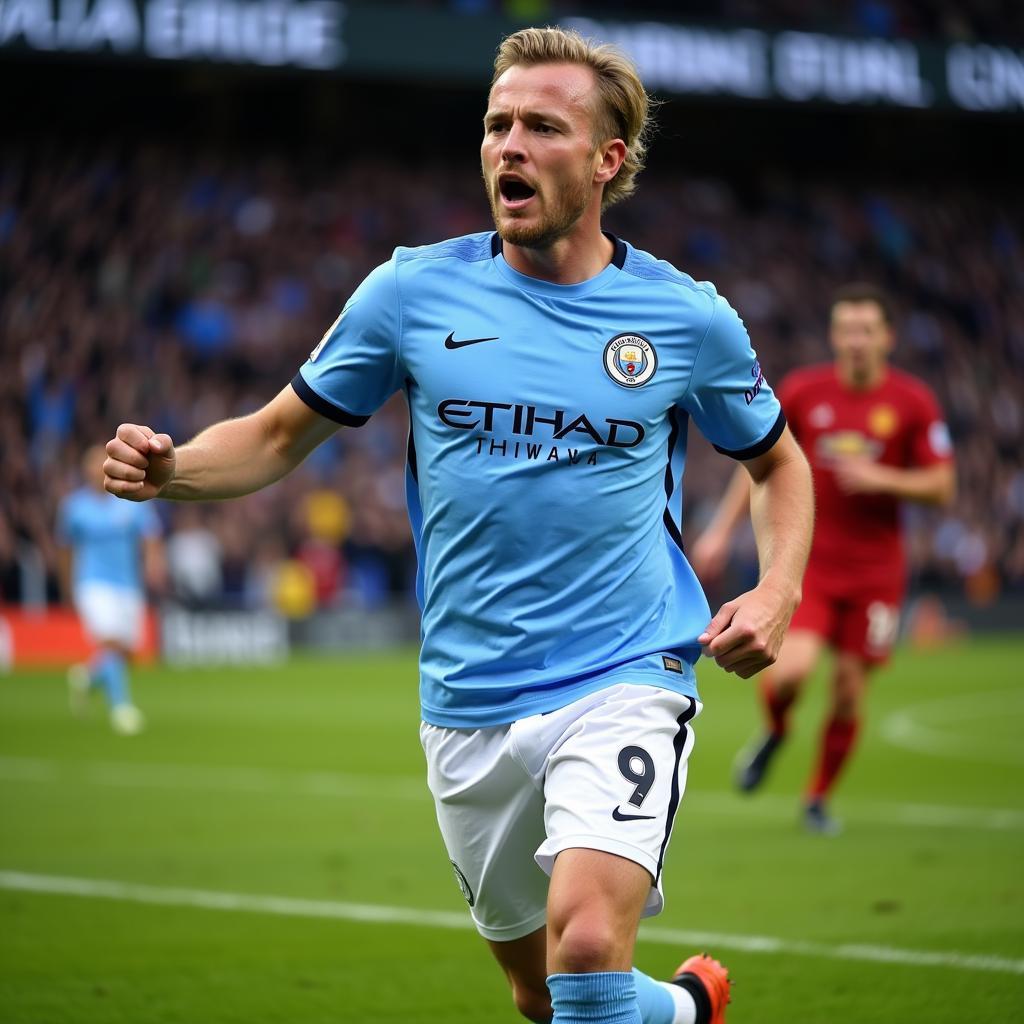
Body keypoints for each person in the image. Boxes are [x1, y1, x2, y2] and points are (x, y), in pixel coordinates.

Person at [102, 27, 813, 1024]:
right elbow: (272, 437)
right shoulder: (408, 293)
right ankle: (688, 1010)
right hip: (465, 698)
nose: (508, 146)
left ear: (608, 160)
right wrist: (173, 469)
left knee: (589, 944)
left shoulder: (684, 319)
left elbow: (778, 461)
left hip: (624, 672)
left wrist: (776, 590)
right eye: (496, 124)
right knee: (540, 992)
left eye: (541, 127)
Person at [691, 283, 955, 834]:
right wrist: (719, 529)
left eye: (866, 330)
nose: (855, 341)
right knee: (790, 675)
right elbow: (762, 464)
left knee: (848, 692)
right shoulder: (806, 391)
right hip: (812, 562)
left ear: (887, 338)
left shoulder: (913, 402)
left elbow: (943, 486)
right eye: (846, 330)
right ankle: (778, 729)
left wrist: (882, 477)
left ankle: (815, 799)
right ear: (834, 335)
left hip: (878, 572)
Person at [58, 444, 165, 735]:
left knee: (127, 652)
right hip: (93, 584)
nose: (97, 470)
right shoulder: (74, 507)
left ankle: (88, 678)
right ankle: (121, 708)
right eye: (92, 465)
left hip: (128, 584)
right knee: (112, 644)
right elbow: (65, 550)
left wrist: (154, 563)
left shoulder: (132, 499)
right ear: (85, 471)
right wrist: (67, 587)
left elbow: (151, 535)